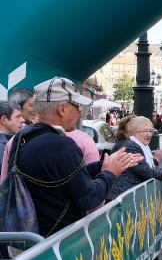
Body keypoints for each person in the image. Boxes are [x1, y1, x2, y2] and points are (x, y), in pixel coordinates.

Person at [3, 77, 142, 237]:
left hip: (26, 240)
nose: (80, 111)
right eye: (76, 105)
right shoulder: (62, 145)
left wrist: (102, 165)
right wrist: (110, 173)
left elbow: (61, 177)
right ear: (62, 109)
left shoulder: (21, 138)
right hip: (55, 245)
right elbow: (89, 198)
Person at [108, 117, 162, 200]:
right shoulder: (132, 146)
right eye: (145, 131)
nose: (148, 134)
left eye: (150, 131)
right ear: (134, 133)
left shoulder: (141, 145)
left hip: (129, 196)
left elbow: (147, 167)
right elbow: (146, 172)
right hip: (123, 198)